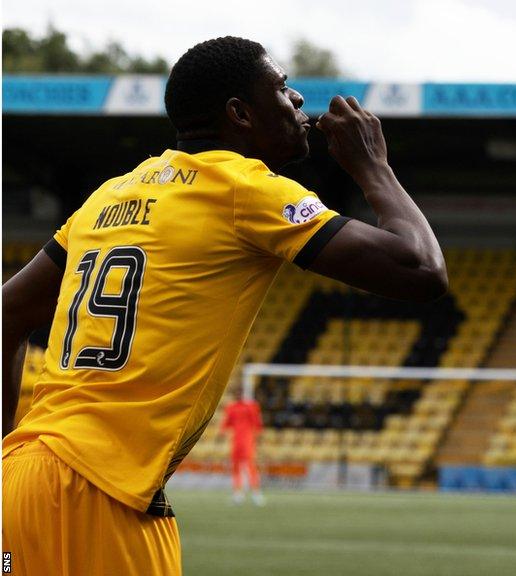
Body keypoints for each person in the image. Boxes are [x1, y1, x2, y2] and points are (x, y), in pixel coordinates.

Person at [2, 36, 447, 575]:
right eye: (282, 88)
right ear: (240, 113)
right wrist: (372, 166)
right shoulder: (244, 187)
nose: (299, 100)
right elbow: (420, 270)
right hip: (99, 495)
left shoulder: (111, 194)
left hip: (22, 480)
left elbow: (7, 312)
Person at [219, 388, 265, 506]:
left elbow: (257, 424)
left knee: (250, 467)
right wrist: (222, 433)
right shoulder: (231, 408)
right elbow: (226, 424)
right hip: (236, 442)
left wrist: (258, 439)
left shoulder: (251, 407)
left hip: (247, 441)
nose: (238, 395)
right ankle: (238, 493)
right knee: (236, 468)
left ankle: (256, 493)